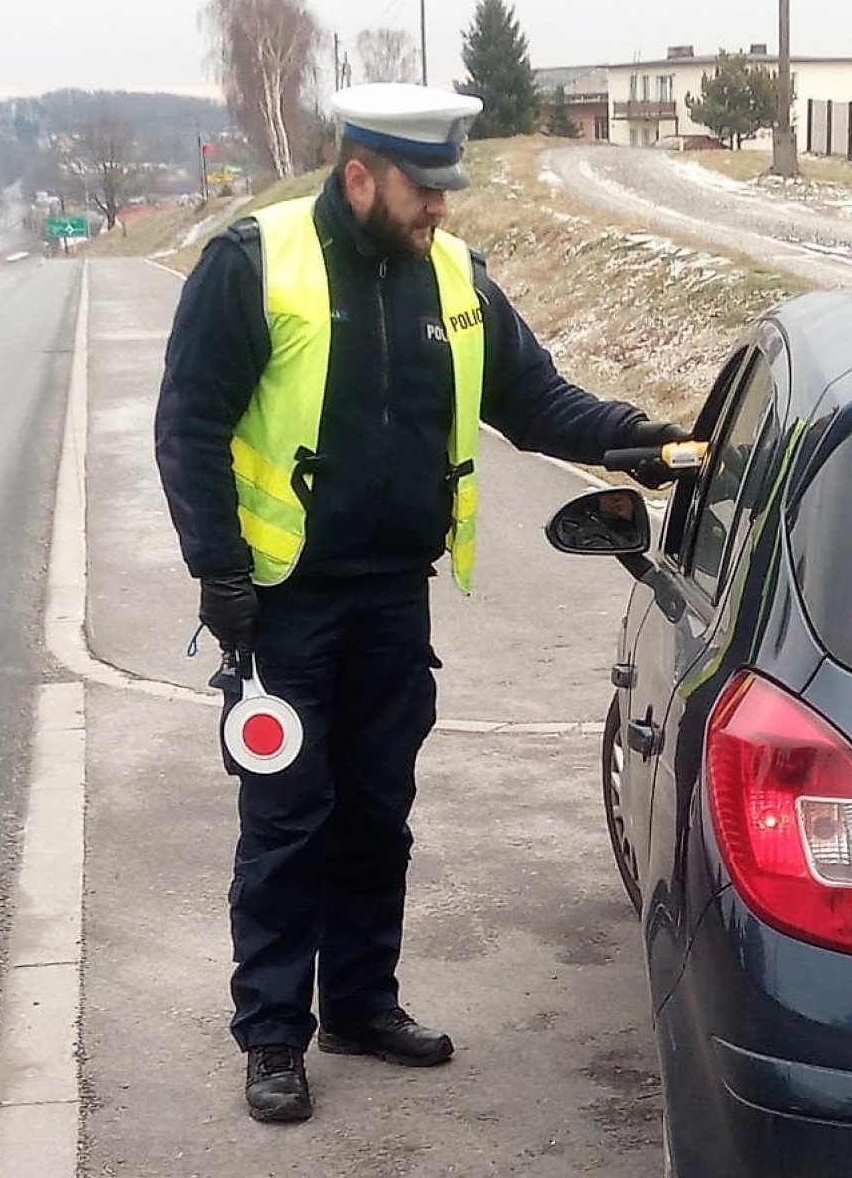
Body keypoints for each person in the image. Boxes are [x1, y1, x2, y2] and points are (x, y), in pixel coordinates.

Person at [153, 81, 687, 1125]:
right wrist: (218, 571)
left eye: (448, 188)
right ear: (360, 175)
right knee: (286, 821)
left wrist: (644, 442)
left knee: (376, 815)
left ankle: (359, 1003)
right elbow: (191, 424)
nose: (441, 206)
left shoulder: (452, 277)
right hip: (284, 603)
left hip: (396, 597)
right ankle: (272, 1033)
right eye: (422, 188)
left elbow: (532, 399)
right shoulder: (255, 263)